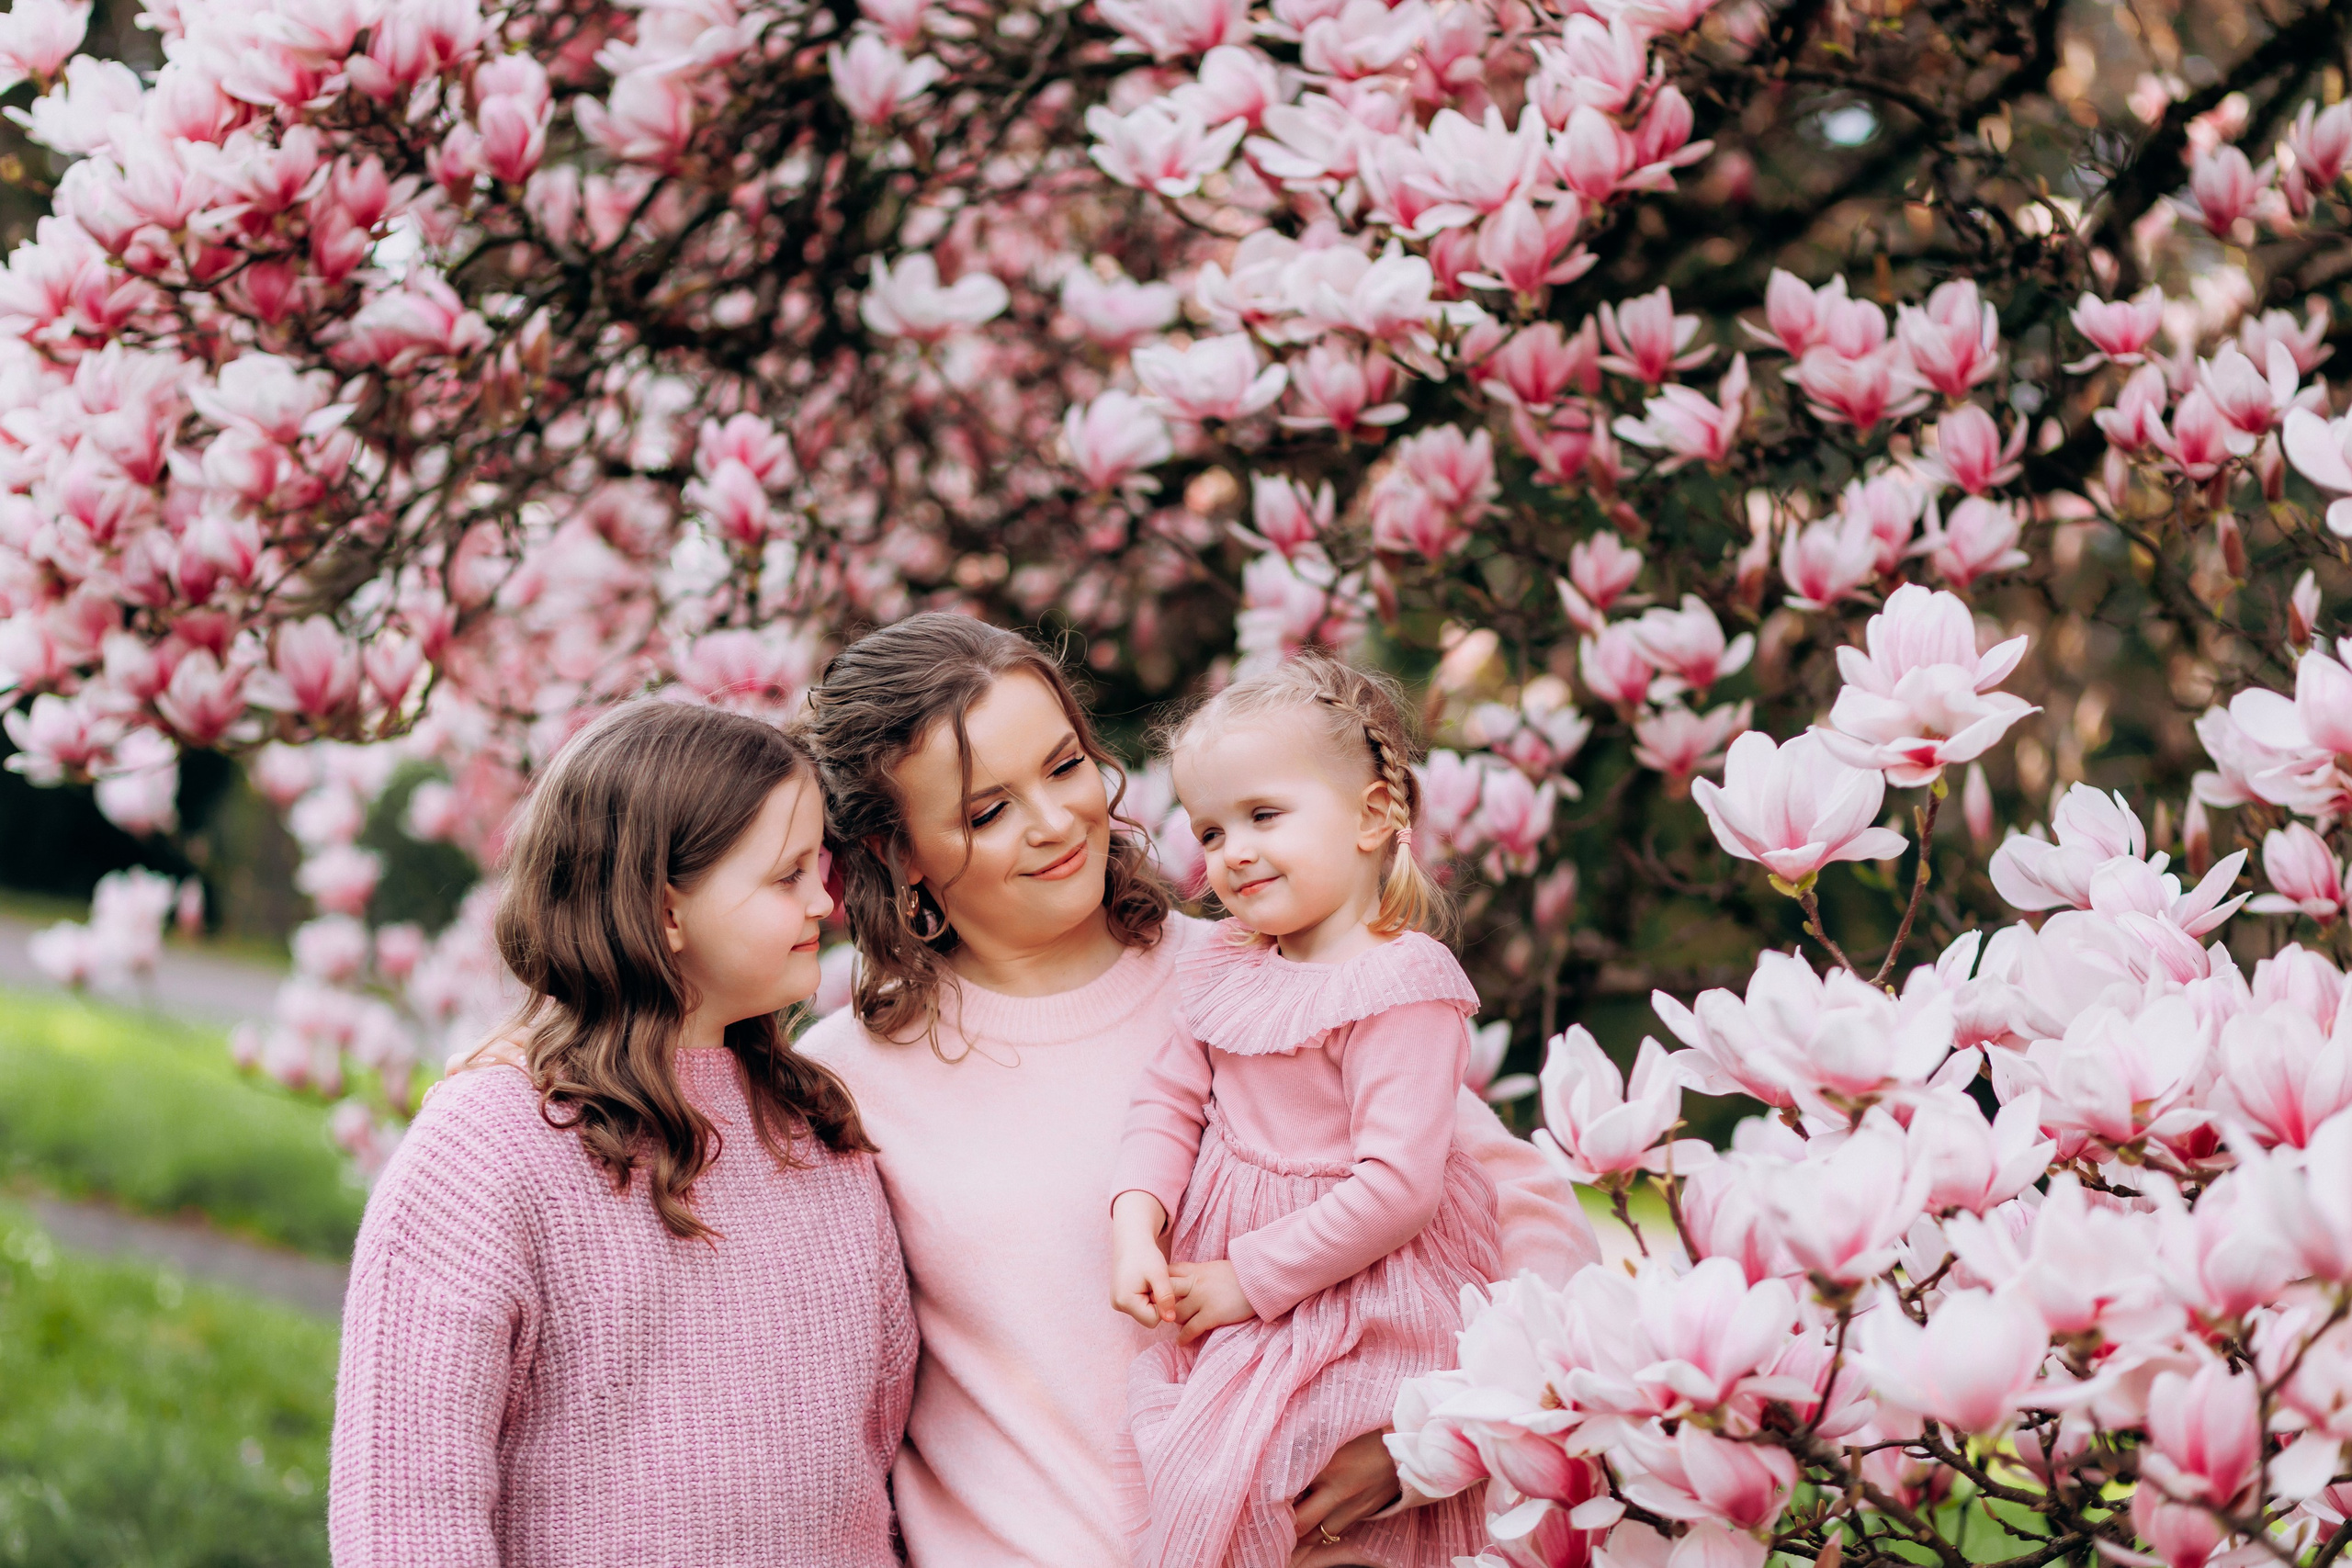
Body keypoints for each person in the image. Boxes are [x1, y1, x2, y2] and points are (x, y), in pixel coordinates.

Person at [797, 613, 1600, 1568]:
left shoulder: (1259, 976)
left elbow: (1525, 1215)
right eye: (984, 811)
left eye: (1063, 767)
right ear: (900, 854)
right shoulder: (845, 1076)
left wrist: (1429, 1441)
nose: (1055, 822)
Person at [329, 702, 915, 1568]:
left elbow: (880, 1447)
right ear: (664, 909)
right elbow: (409, 1514)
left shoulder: (820, 1133)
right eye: (786, 875)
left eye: (818, 866)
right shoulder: (485, 1147)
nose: (824, 901)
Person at [1108, 653, 1496, 1568]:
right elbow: (1167, 1103)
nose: (1233, 850)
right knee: (1212, 1477)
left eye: (1264, 816)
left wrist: (1247, 1281)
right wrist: (1137, 1224)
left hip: (1362, 1290)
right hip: (1252, 1297)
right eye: (1211, 829)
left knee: (1307, 1488)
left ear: (1370, 817)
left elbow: (1398, 1188)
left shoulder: (1400, 987)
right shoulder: (1226, 966)